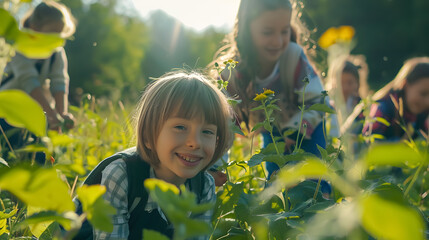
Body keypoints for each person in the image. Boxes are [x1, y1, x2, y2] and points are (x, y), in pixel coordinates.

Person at [93, 71, 234, 239]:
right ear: (148, 135)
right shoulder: (123, 176)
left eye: (207, 131)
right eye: (180, 127)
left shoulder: (203, 186)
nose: (195, 142)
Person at [210, 0, 327, 179]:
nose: (278, 41)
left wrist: (296, 133)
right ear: (247, 30)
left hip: (308, 127)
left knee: (315, 180)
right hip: (273, 132)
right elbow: (222, 125)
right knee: (276, 184)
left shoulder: (293, 58)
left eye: (284, 31)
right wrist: (216, 166)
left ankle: (321, 200)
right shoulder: (232, 74)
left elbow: (316, 100)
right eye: (267, 32)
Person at [0, 1, 75, 163]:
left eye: (59, 34)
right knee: (10, 153)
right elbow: (29, 82)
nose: (56, 39)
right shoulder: (17, 46)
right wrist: (51, 114)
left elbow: (59, 81)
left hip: (37, 109)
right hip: (8, 110)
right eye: (52, 33)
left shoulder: (57, 52)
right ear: (34, 28)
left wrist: (61, 114)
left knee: (39, 155)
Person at [362, 57, 429, 142]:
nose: (428, 102)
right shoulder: (383, 107)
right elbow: (368, 144)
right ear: (405, 85)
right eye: (423, 94)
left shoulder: (423, 114)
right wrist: (400, 144)